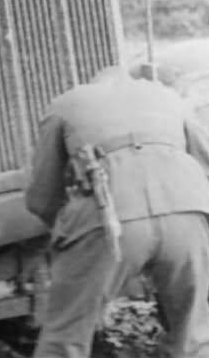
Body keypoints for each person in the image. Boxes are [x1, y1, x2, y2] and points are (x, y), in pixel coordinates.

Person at [25, 66, 209, 357]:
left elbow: (42, 197)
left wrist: (66, 236)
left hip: (108, 219)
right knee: (194, 334)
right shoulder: (169, 98)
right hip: (185, 212)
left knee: (65, 338)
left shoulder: (66, 104)